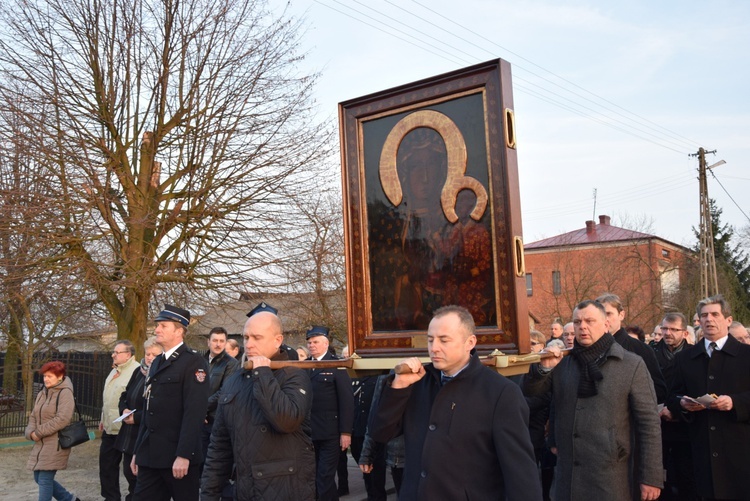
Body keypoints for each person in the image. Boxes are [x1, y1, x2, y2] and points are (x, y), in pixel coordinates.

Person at [370, 305, 541, 500]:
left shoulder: (500, 392)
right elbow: (380, 432)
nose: (434, 347)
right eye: (430, 340)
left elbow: (520, 472)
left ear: (470, 342)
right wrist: (398, 388)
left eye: (444, 340)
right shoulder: (416, 382)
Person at [525, 300, 663, 501]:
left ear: (606, 324)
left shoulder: (631, 364)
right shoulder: (563, 362)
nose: (583, 327)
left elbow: (649, 424)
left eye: (590, 321)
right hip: (569, 477)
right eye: (578, 322)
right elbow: (533, 392)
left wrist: (651, 477)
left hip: (611, 475)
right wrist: (543, 369)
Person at [200, 309, 315, 500]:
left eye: (257, 337)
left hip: (286, 490)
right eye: (246, 337)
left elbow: (286, 420)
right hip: (245, 489)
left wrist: (263, 373)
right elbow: (219, 446)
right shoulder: (235, 380)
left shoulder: (294, 376)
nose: (249, 344)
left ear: (277, 340)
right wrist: (208, 494)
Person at [664, 294, 750, 500]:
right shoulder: (685, 357)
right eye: (704, 315)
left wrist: (734, 402)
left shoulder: (746, 355)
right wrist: (682, 403)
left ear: (728, 320)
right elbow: (671, 396)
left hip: (739, 449)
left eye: (714, 314)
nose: (709, 319)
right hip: (698, 449)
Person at [131, 304, 209, 501]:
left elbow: (195, 412)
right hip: (150, 456)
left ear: (179, 331)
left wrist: (184, 455)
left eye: (163, 326)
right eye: (158, 325)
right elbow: (148, 410)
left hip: (177, 458)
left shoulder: (193, 362)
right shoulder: (157, 362)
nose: (157, 330)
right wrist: (138, 452)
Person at [306, 325, 354, 501]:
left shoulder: (336, 365)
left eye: (315, 341)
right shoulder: (305, 367)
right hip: (310, 432)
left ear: (326, 344)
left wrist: (346, 432)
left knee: (325, 476)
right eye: (309, 342)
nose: (311, 345)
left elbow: (347, 402)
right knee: (316, 476)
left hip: (330, 433)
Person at [652, 313, 696, 501]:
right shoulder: (651, 353)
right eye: (664, 329)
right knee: (657, 475)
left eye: (673, 329)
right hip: (656, 422)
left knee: (685, 474)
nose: (667, 333)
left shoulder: (694, 355)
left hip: (684, 424)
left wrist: (676, 410)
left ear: (685, 333)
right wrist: (658, 408)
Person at [115, 337, 164, 501]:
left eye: (154, 355)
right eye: (147, 353)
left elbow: (161, 410)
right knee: (128, 474)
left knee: (141, 482)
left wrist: (136, 417)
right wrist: (124, 409)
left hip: (143, 435)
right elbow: (125, 395)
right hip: (128, 435)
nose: (149, 357)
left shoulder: (161, 377)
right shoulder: (138, 372)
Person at [25, 361, 81, 501]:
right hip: (41, 443)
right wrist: (30, 431)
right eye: (44, 376)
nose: (46, 379)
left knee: (44, 479)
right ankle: (69, 499)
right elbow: (34, 415)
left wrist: (39, 432)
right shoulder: (43, 393)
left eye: (50, 376)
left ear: (60, 376)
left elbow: (63, 419)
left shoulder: (65, 393)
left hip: (56, 443)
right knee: (38, 477)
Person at [596, 293, 666, 403]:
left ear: (621, 315)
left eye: (609, 313)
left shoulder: (640, 349)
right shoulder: (589, 349)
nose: (605, 319)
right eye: (600, 314)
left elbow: (658, 390)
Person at [100, 340, 140, 501]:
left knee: (130, 470)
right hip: (109, 428)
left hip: (125, 428)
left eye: (117, 352)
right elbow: (107, 397)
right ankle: (111, 498)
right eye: (113, 352)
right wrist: (103, 418)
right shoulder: (114, 371)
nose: (113, 355)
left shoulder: (136, 371)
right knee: (106, 467)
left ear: (128, 354)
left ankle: (134, 497)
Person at [201, 327, 240, 473]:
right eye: (215, 340)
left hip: (215, 418)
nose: (218, 344)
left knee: (213, 461)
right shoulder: (200, 361)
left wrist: (202, 408)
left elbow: (224, 392)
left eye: (221, 341)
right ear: (208, 342)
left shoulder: (231, 363)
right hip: (198, 418)